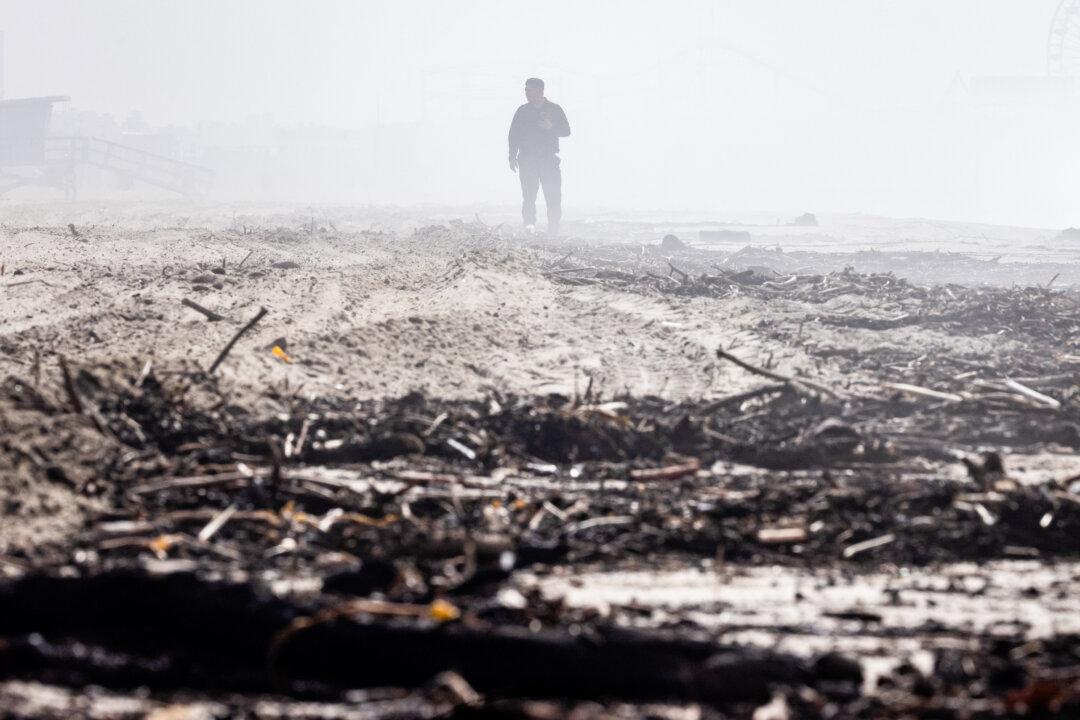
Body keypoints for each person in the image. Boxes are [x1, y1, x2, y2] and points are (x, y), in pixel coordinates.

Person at [508, 77, 570, 237]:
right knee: (529, 195)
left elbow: (566, 131)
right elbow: (513, 134)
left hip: (549, 159)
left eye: (529, 90)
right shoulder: (522, 111)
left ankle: (553, 228)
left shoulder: (554, 109)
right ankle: (529, 225)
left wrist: (551, 127)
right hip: (528, 159)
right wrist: (512, 156)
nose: (526, 93)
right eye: (526, 90)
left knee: (553, 195)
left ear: (539, 91)